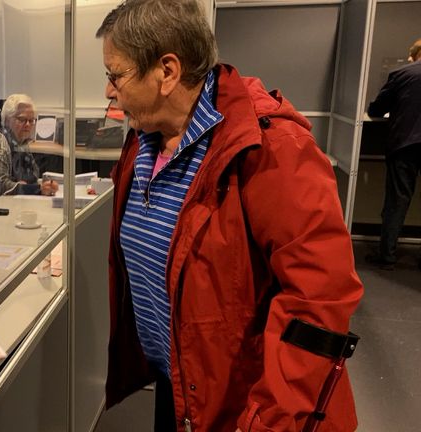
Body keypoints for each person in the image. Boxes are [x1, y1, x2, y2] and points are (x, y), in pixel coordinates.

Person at [97, 1, 364, 431]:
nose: (110, 90)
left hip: (247, 407)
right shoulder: (144, 140)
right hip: (181, 386)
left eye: (116, 75)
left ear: (167, 71)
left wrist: (266, 421)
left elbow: (320, 302)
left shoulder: (269, 148)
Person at [365, 38, 421, 270]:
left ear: (415, 54)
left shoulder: (402, 74)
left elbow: (378, 108)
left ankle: (387, 254)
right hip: (407, 143)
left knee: (397, 201)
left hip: (405, 145)